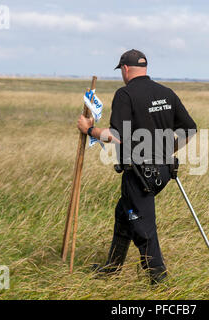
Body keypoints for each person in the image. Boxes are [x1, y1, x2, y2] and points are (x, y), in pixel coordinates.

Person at [77, 49, 196, 285]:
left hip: (139, 174)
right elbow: (190, 128)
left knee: (142, 226)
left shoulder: (125, 94)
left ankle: (159, 280)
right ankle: (111, 269)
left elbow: (115, 135)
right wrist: (166, 152)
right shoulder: (166, 93)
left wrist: (89, 129)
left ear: (125, 69)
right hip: (163, 171)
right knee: (124, 213)